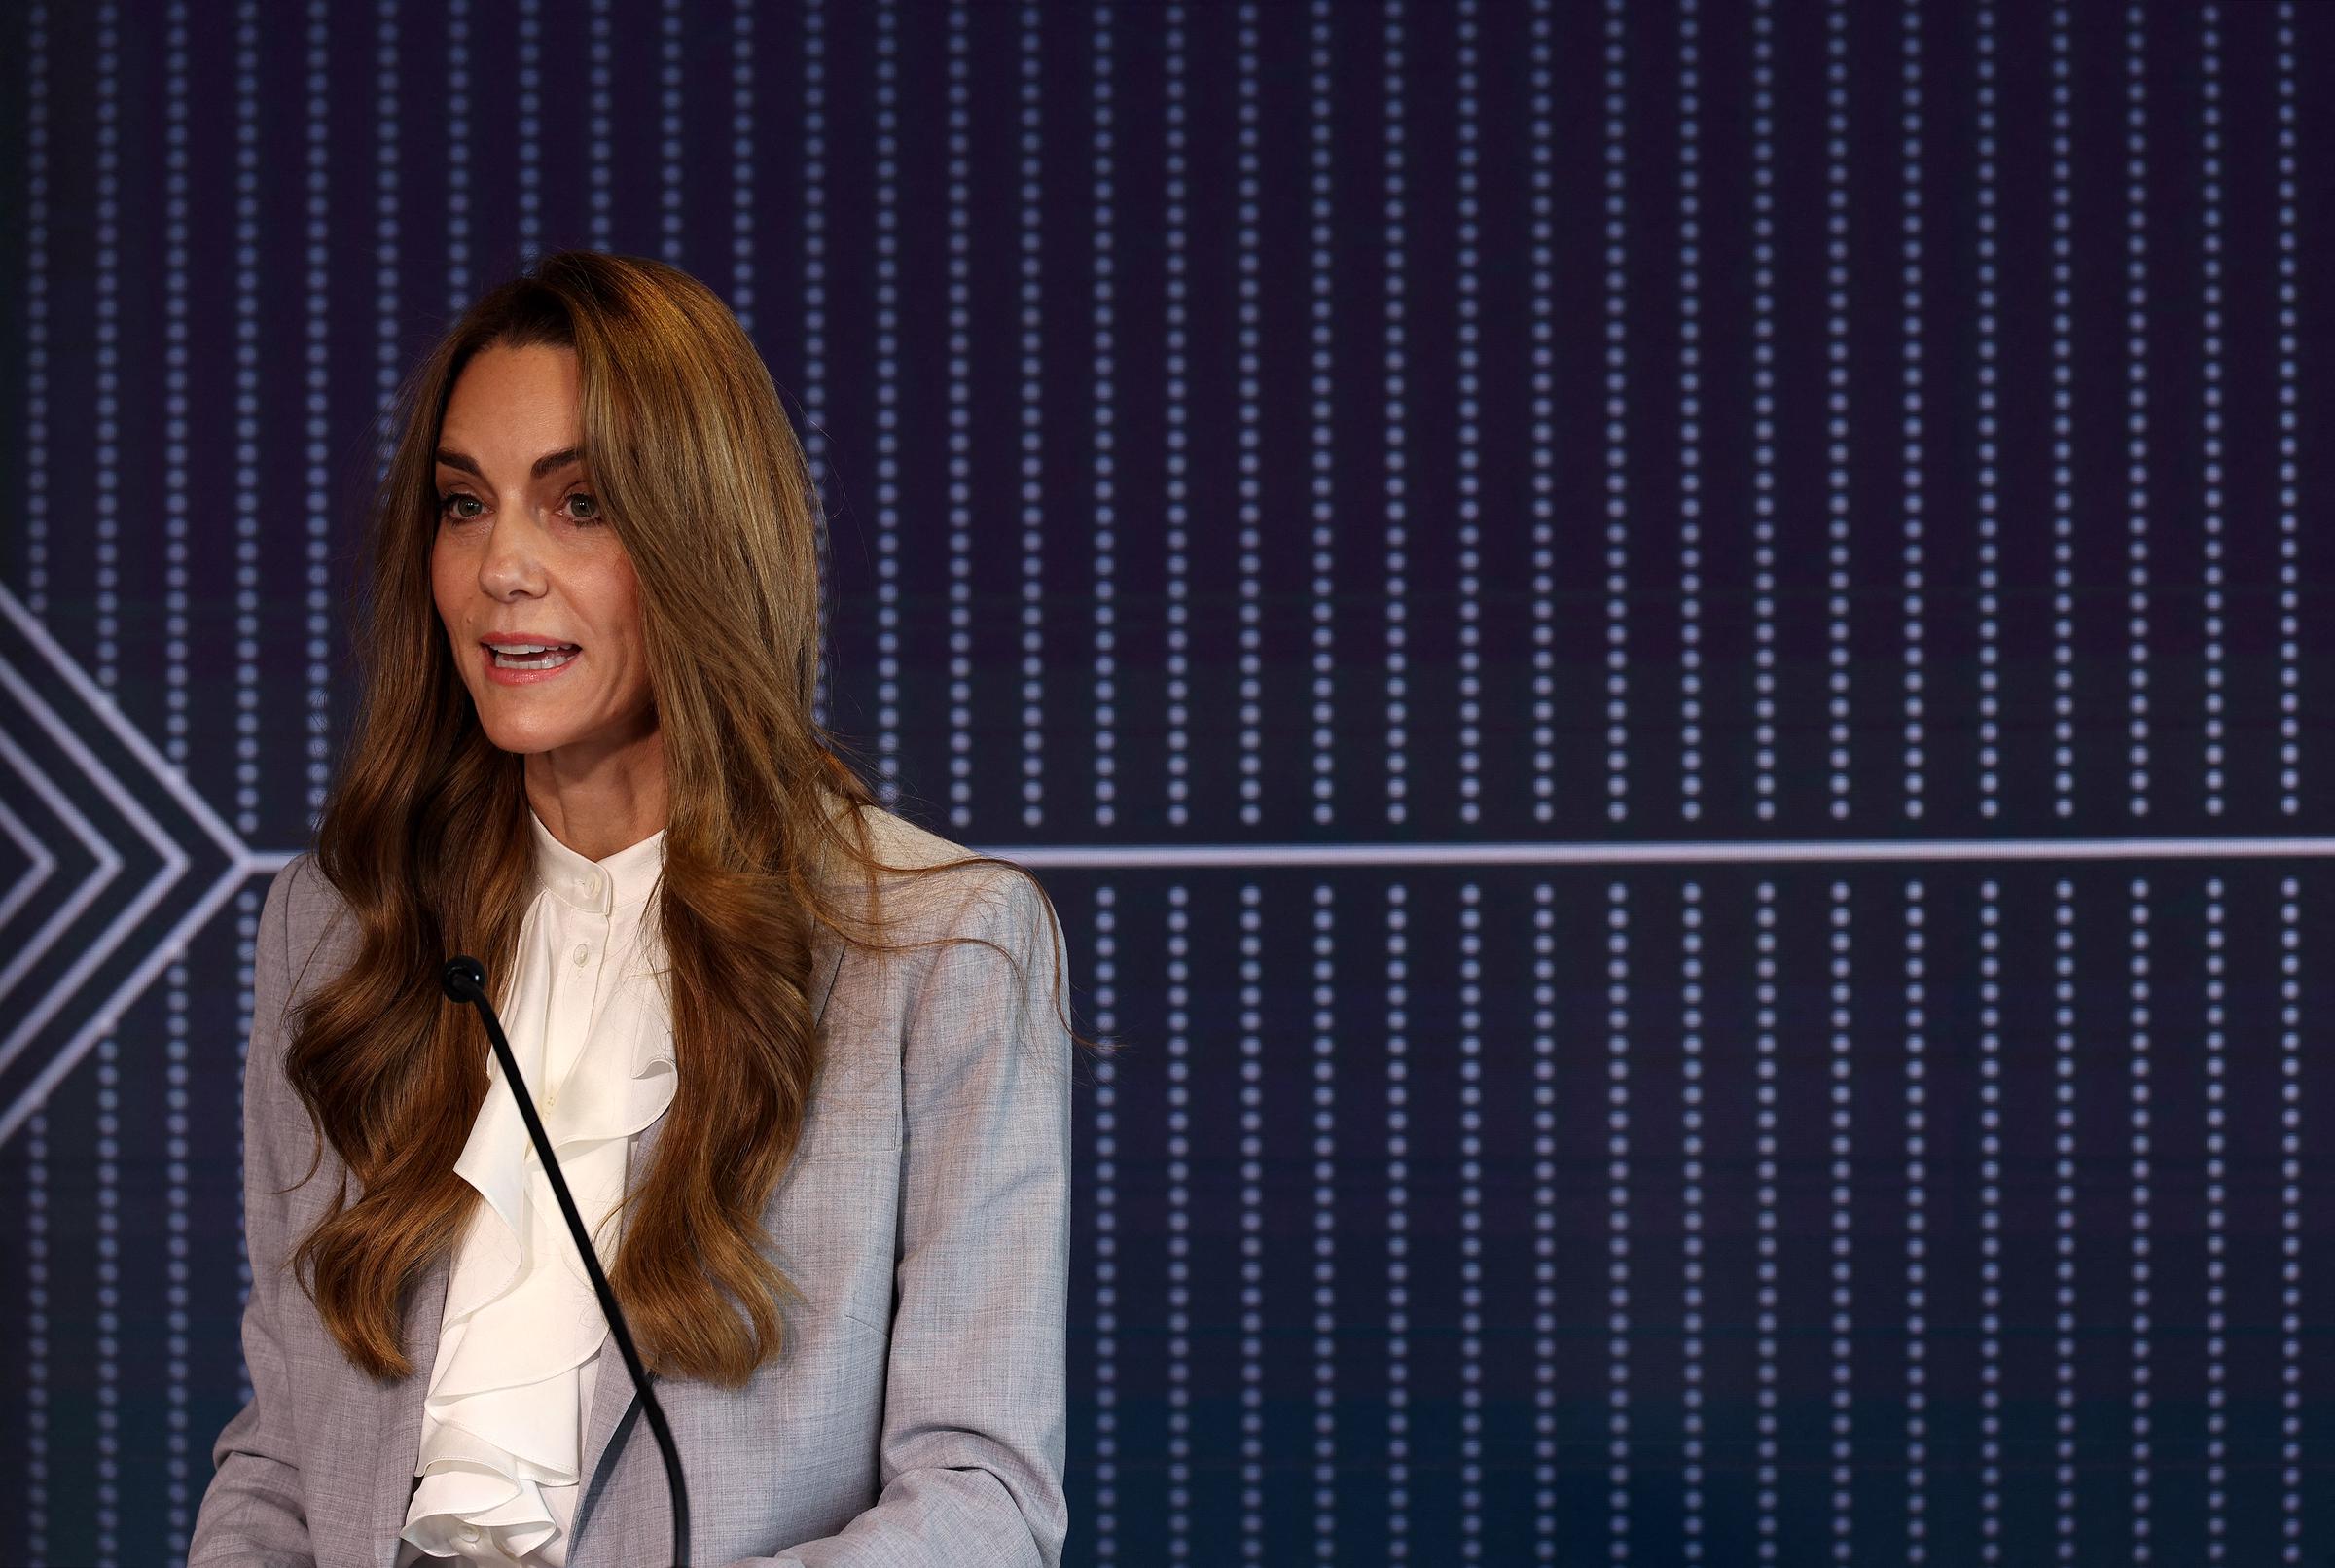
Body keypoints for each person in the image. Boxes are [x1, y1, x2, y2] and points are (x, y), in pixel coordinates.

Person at [188, 250, 1078, 1566]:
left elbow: (980, 1495)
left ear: (705, 537)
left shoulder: (940, 948)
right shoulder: (337, 928)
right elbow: (278, 1456)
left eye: (580, 503)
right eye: (462, 505)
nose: (502, 569)